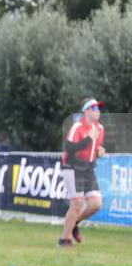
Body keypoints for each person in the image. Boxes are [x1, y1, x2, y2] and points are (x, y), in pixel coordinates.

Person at [59, 98, 106, 247]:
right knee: (77, 203)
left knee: (96, 204)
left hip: (88, 169)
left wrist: (100, 151)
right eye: (94, 109)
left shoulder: (100, 129)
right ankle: (64, 240)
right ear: (86, 111)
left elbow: (94, 149)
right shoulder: (77, 127)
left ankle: (75, 222)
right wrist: (88, 139)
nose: (98, 112)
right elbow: (70, 149)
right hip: (72, 167)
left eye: (99, 109)